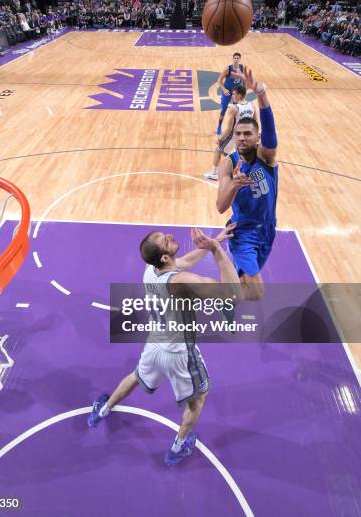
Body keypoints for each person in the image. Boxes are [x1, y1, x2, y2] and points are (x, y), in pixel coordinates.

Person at [88, 225, 240, 466]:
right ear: (165, 257)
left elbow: (186, 262)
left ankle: (103, 410)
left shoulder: (151, 269)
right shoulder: (180, 282)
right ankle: (178, 447)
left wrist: (210, 243)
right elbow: (232, 293)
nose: (170, 236)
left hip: (154, 344)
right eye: (165, 241)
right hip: (179, 353)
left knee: (136, 376)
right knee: (199, 399)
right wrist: (217, 250)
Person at [217, 67, 278, 300]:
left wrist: (260, 93)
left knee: (245, 286)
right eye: (238, 133)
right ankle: (218, 257)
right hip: (243, 232)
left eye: (247, 134)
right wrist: (234, 184)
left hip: (268, 227)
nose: (242, 138)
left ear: (257, 137)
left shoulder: (266, 157)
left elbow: (271, 134)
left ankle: (229, 294)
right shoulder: (227, 163)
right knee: (257, 292)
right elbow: (221, 207)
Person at [204, 84, 258, 181]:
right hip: (247, 137)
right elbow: (256, 124)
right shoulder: (252, 106)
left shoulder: (234, 108)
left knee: (219, 150)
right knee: (242, 155)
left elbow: (229, 129)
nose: (232, 96)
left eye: (233, 94)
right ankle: (245, 172)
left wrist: (220, 138)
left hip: (234, 136)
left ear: (239, 95)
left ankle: (215, 173)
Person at [216, 52, 244, 135]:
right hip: (227, 92)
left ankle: (235, 128)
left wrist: (243, 91)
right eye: (235, 58)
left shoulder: (242, 68)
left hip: (237, 93)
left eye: (237, 58)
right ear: (232, 59)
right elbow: (219, 80)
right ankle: (219, 126)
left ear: (240, 59)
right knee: (223, 110)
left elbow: (243, 79)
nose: (236, 60)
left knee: (237, 111)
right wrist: (224, 89)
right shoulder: (227, 69)